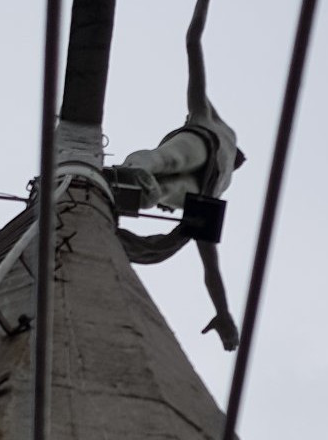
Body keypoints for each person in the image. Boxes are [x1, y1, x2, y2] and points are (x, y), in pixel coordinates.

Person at [114, 0, 244, 351]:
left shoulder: (205, 121)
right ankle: (140, 182)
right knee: (161, 168)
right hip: (203, 163)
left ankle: (140, 183)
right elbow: (193, 42)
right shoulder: (207, 122)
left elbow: (192, 41)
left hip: (201, 166)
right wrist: (223, 312)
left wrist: (224, 312)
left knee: (159, 171)